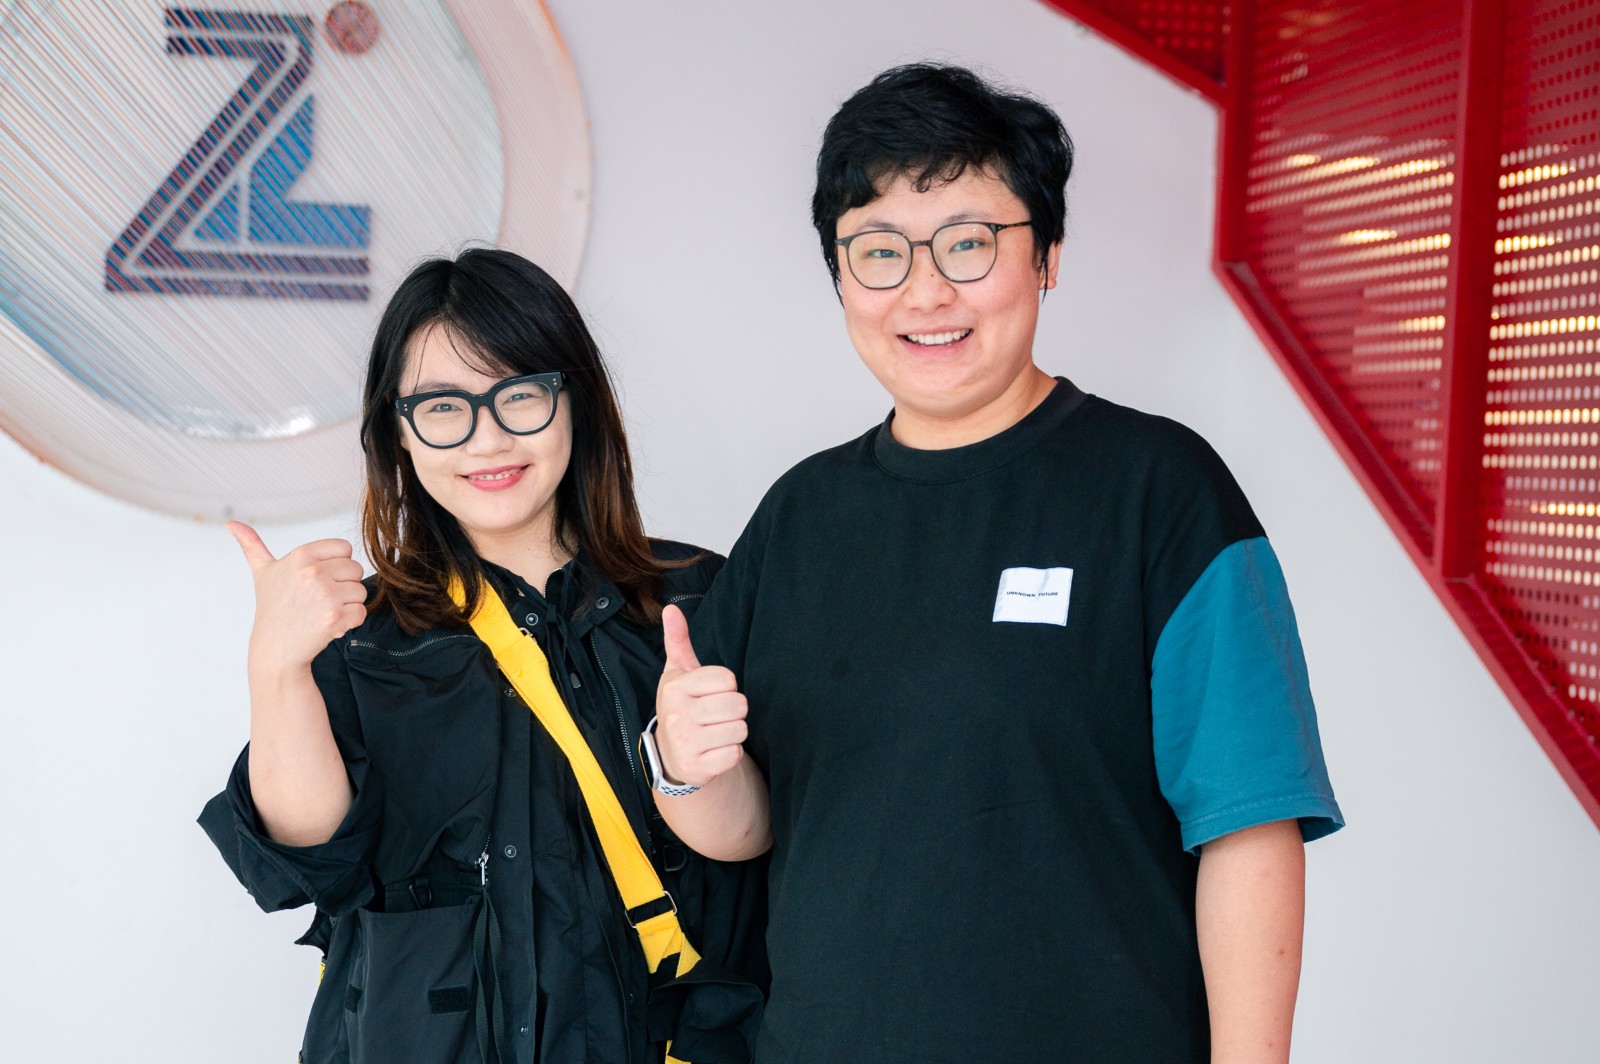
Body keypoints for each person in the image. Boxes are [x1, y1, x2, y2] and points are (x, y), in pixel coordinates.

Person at [646, 64, 1344, 1062]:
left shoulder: (1159, 490)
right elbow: (751, 827)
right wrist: (684, 767)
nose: (925, 290)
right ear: (840, 276)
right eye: (878, 251)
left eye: (968, 243)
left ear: (1046, 256)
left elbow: (1249, 826)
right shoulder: (799, 515)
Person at [200, 248, 766, 1064]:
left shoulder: (699, 601)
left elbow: (778, 844)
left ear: (574, 400)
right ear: (398, 430)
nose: (487, 438)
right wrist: (276, 668)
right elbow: (305, 863)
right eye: (442, 407)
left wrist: (693, 768)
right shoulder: (361, 639)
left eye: (519, 393)